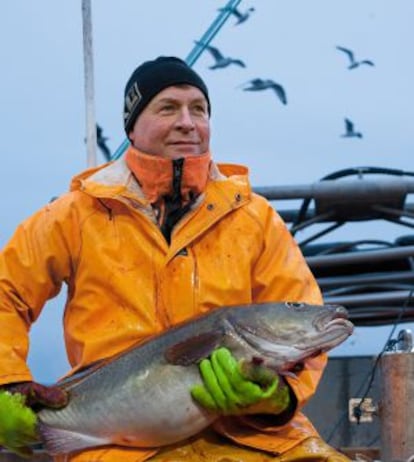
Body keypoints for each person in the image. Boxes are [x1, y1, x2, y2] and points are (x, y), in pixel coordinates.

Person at [0, 56, 351, 461]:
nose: (187, 121)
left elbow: (300, 312)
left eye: (198, 109)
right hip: (116, 446)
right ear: (132, 126)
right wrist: (7, 384)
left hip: (253, 439)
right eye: (168, 107)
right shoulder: (74, 215)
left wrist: (277, 398)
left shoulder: (256, 218)